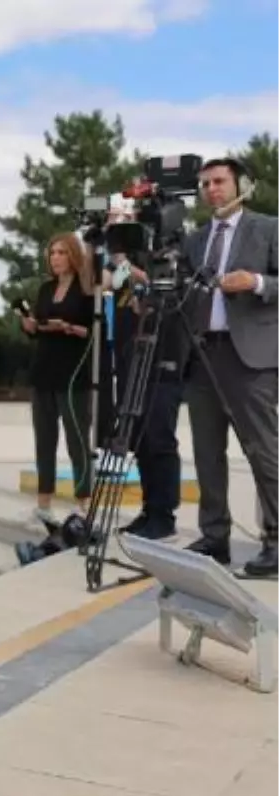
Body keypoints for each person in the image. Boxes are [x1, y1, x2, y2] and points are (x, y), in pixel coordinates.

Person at [181, 157, 279, 576]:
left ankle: (276, 539)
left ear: (241, 184)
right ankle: (214, 536)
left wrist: (256, 283)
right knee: (206, 452)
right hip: (203, 355)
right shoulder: (195, 239)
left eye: (219, 181)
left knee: (263, 450)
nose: (211, 189)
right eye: (205, 184)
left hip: (250, 356)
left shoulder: (268, 228)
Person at [101, 240, 186, 541]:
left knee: (159, 437)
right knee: (139, 438)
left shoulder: (167, 247)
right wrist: (108, 252)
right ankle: (150, 509)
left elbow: (168, 285)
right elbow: (102, 285)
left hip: (163, 358)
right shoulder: (118, 261)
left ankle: (165, 515)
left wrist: (130, 267)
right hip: (130, 356)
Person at [21, 232, 95, 524]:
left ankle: (84, 504)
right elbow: (38, 326)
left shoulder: (86, 290)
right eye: (52, 253)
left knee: (77, 441)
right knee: (44, 440)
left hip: (74, 373)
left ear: (74, 256)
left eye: (62, 252)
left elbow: (94, 332)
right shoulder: (45, 289)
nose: (56, 258)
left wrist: (69, 328)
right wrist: (30, 326)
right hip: (44, 371)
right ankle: (43, 503)